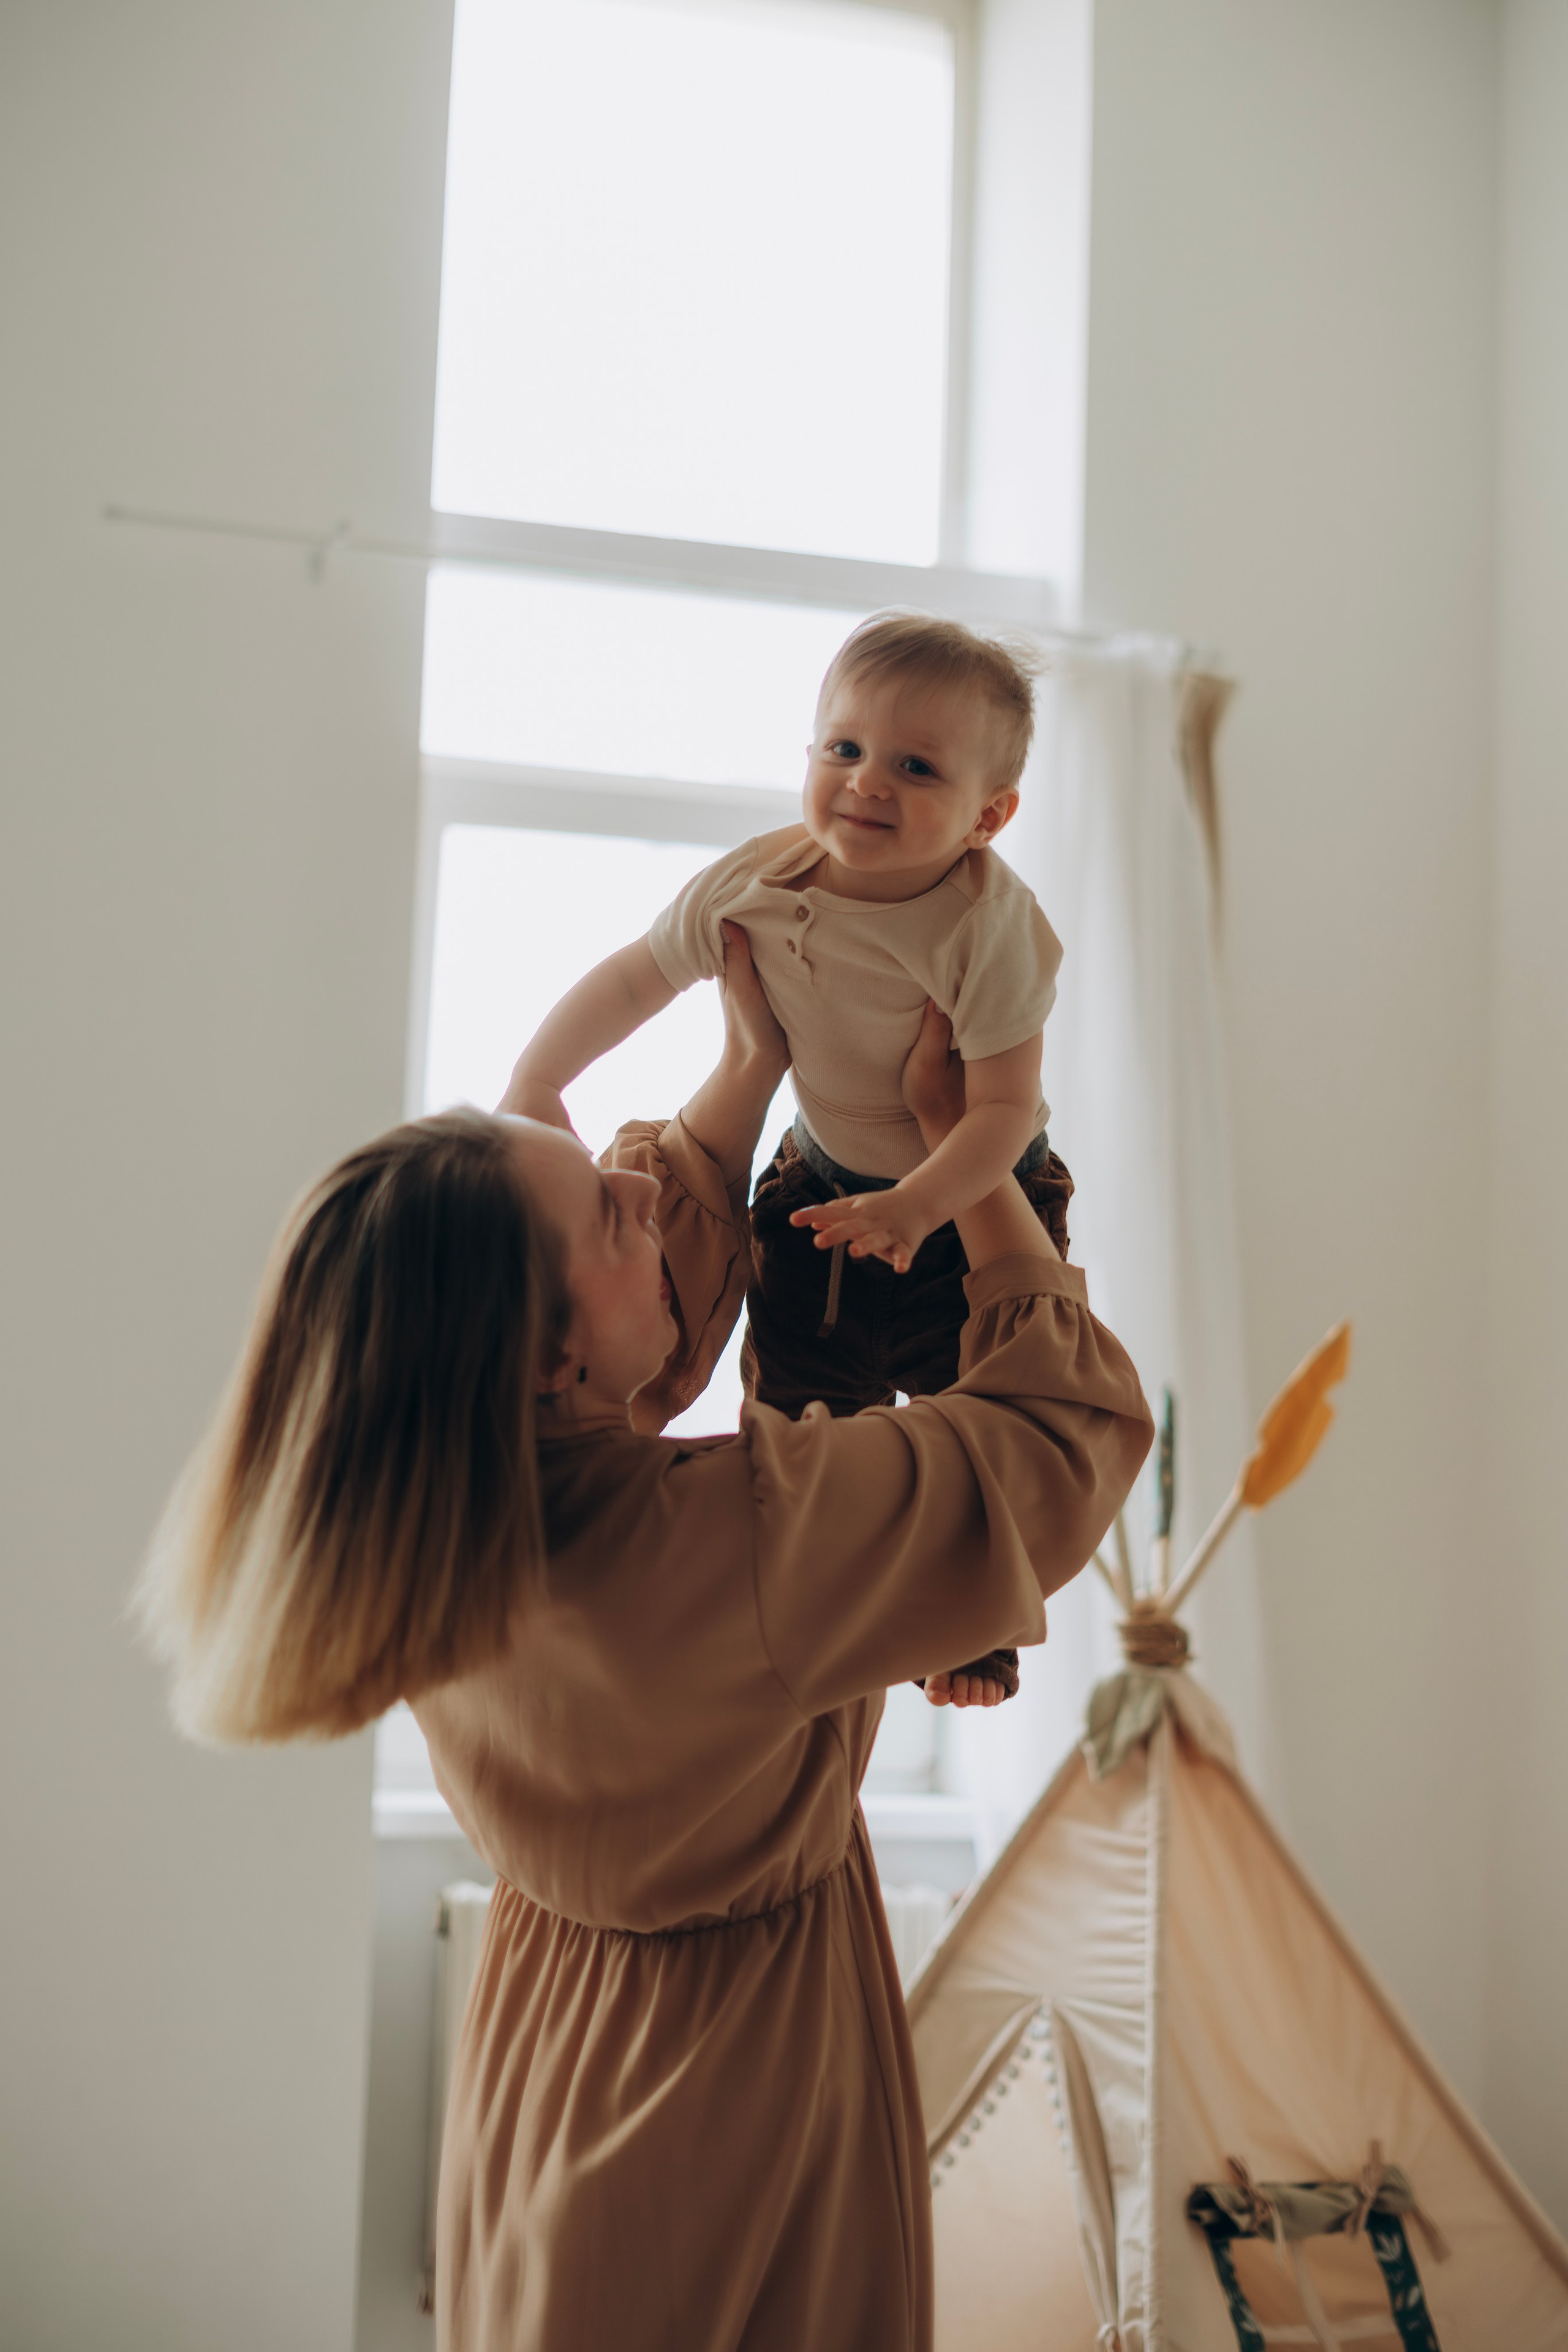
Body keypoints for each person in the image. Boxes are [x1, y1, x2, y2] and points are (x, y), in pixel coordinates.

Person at [136, 930, 1151, 2352]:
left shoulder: (438, 1532)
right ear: (549, 1358)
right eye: (605, 1215)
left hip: (551, 2054)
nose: (635, 1188)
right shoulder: (743, 1543)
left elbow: (648, 1323)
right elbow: (1063, 1433)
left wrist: (750, 1067)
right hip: (734, 2080)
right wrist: (958, 1145)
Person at [508, 611, 1074, 1702]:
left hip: (966, 1197)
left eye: (917, 767)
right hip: (821, 1182)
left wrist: (919, 1203)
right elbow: (634, 978)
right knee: (805, 1403)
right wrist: (541, 1083)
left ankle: (972, 1633)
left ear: (987, 817)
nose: (868, 783)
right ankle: (802, 1606)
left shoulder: (988, 928)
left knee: (981, 1411)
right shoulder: (760, 885)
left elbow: (1001, 1109)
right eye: (844, 749)